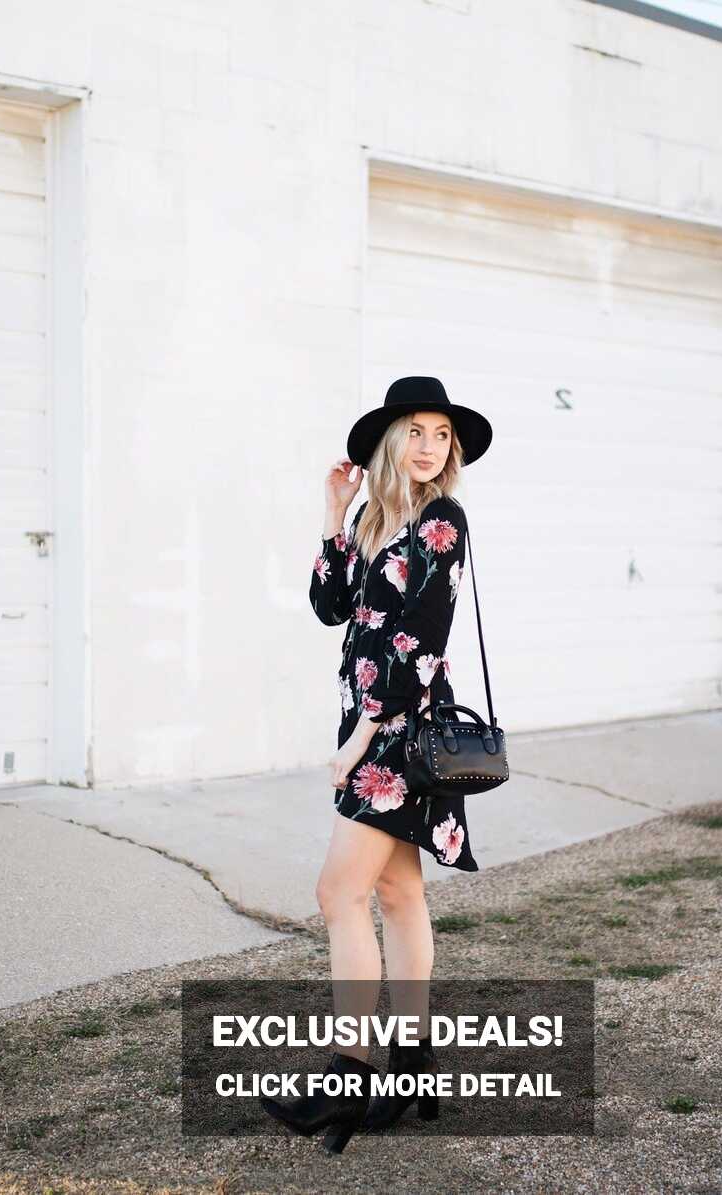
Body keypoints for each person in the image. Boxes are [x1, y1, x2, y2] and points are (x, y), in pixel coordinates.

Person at [259, 376, 493, 1153]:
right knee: (394, 889)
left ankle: (349, 1073)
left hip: (398, 730)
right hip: (367, 723)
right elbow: (331, 606)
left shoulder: (442, 522)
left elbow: (420, 641)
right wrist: (334, 512)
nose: (430, 447)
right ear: (390, 441)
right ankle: (413, 1064)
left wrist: (362, 737)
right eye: (417, 432)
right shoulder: (374, 515)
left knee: (338, 890)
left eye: (441, 434)